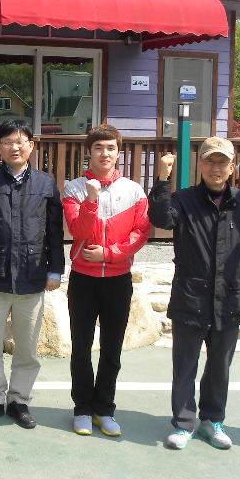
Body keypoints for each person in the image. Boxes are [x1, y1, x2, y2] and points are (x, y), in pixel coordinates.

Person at [149, 137, 240, 451]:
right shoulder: (184, 199)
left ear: (232, 167)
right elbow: (160, 219)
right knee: (185, 365)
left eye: (222, 162)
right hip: (191, 297)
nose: (216, 168)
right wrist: (163, 179)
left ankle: (212, 421)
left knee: (219, 366)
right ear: (200, 165)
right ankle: (184, 423)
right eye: (210, 161)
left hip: (229, 298)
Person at [0, 119, 64, 429]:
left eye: (20, 142)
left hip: (32, 275)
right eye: (7, 142)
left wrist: (55, 269)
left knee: (27, 346)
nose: (14, 147)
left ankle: (19, 400)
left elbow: (54, 232)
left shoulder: (45, 183)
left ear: (31, 145)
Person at [62, 124, 151, 437]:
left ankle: (105, 409)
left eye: (111, 148)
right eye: (99, 147)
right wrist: (91, 199)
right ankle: (82, 409)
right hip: (83, 280)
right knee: (81, 348)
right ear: (89, 151)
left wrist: (110, 254)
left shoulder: (134, 190)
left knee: (112, 350)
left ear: (118, 152)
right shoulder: (74, 188)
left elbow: (141, 232)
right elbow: (79, 231)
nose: (105, 153)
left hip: (118, 279)